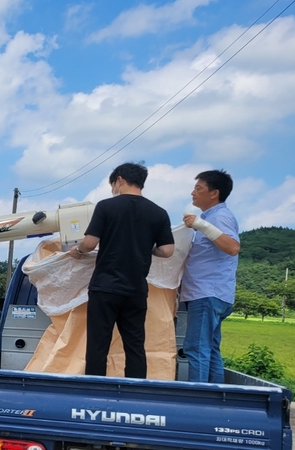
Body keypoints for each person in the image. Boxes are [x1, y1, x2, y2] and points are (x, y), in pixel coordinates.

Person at [68, 162, 175, 378]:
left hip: (105, 287)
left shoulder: (106, 207)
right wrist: (144, 248)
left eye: (112, 185)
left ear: (119, 180)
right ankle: (135, 394)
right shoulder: (159, 213)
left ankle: (95, 392)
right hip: (135, 289)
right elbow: (167, 251)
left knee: (98, 345)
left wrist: (77, 251)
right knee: (135, 345)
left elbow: (89, 243)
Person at [180, 170, 240, 382]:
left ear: (214, 193)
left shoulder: (219, 216)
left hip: (206, 294)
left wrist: (200, 225)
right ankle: (216, 399)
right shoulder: (212, 217)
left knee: (196, 349)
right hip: (215, 294)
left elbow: (233, 247)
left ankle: (198, 403)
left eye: (198, 188)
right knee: (210, 349)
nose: (193, 193)